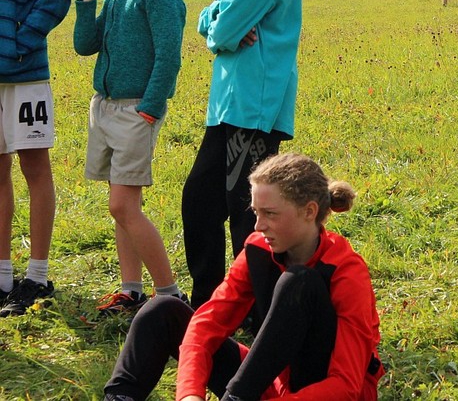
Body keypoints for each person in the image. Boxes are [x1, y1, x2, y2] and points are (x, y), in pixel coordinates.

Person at [102, 153, 384, 401]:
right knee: (162, 310)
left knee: (299, 282)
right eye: (256, 212)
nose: (259, 225)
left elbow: (346, 386)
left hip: (323, 394)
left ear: (309, 211)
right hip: (268, 385)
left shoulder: (346, 271)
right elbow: (206, 325)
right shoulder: (258, 249)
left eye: (270, 214)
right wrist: (189, 393)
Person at [181, 0, 303, 309]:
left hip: (254, 106)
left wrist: (219, 24)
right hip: (231, 103)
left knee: (246, 213)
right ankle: (213, 302)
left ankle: (254, 308)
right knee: (201, 202)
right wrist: (216, 18)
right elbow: (218, 20)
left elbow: (224, 31)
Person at [74, 0, 187, 316]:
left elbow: (168, 57)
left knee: (122, 206)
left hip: (135, 111)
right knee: (122, 207)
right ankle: (131, 291)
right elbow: (84, 45)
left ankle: (170, 295)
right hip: (105, 109)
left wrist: (150, 109)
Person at [0, 0, 72, 318]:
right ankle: (2, 276)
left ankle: (37, 276)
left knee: (34, 167)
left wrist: (18, 42)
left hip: (26, 72)